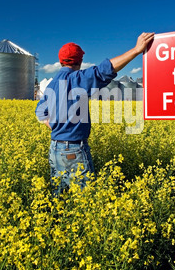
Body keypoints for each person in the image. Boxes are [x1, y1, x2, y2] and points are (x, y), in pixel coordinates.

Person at [35, 32, 154, 194]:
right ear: (80, 61)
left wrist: (59, 128)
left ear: (60, 61)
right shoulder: (76, 79)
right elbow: (104, 70)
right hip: (74, 150)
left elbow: (40, 112)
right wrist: (136, 50)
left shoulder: (52, 84)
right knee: (87, 198)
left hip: (55, 148)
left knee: (59, 197)